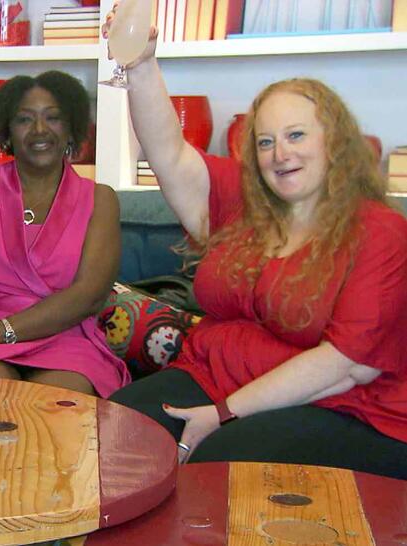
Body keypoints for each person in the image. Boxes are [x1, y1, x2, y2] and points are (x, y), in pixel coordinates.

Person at [103, 16, 407, 479]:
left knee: (215, 468)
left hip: (347, 407)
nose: (280, 154)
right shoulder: (244, 203)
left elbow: (345, 368)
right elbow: (168, 152)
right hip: (212, 376)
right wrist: (142, 64)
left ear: (336, 143)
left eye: (296, 135)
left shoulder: (380, 233)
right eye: (266, 142)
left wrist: (223, 413)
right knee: (107, 433)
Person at [0, 33, 130, 396]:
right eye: (24, 119)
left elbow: (89, 296)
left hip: (63, 338)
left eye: (53, 118)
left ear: (71, 129)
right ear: (7, 130)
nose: (39, 130)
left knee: (56, 410)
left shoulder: (100, 200)